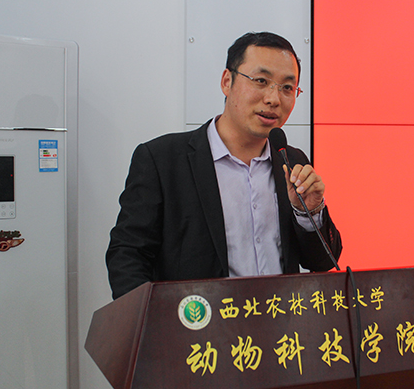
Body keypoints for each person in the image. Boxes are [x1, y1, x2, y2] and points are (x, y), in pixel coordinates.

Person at [106, 32, 342, 299]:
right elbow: (128, 256)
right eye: (261, 81)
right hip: (199, 322)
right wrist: (153, 318)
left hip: (280, 320)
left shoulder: (292, 161)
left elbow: (323, 262)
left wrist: (309, 213)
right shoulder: (162, 160)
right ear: (227, 81)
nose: (274, 99)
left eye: (287, 87)